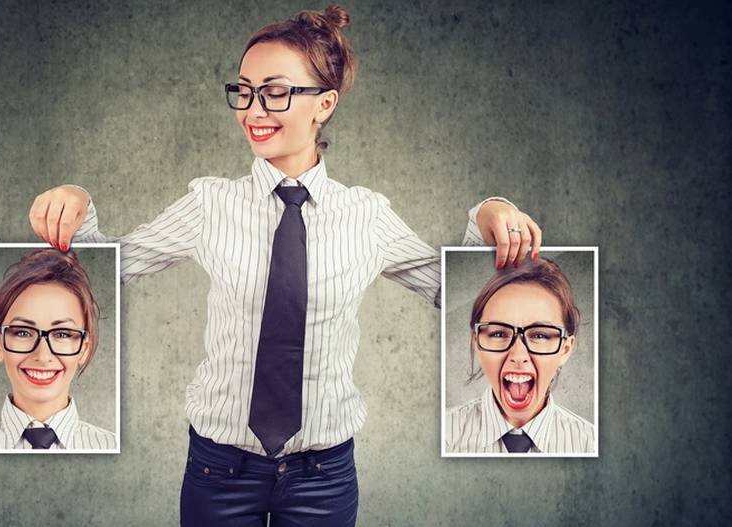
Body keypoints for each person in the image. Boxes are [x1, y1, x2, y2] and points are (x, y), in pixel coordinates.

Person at [29, 4, 542, 524]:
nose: (253, 110)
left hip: (323, 477)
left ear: (325, 103)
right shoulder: (210, 204)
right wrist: (76, 203)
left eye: (275, 92)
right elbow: (103, 271)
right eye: (244, 91)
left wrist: (489, 212)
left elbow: (461, 291)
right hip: (219, 469)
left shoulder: (366, 215)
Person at [0, 249, 117, 451]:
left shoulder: (112, 446)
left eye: (62, 334)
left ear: (84, 347)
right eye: (23, 332)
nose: (43, 356)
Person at [444, 257, 595, 454]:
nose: (518, 355)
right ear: (477, 343)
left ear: (565, 350)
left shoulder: (590, 445)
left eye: (539, 335)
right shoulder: (444, 436)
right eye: (499, 334)